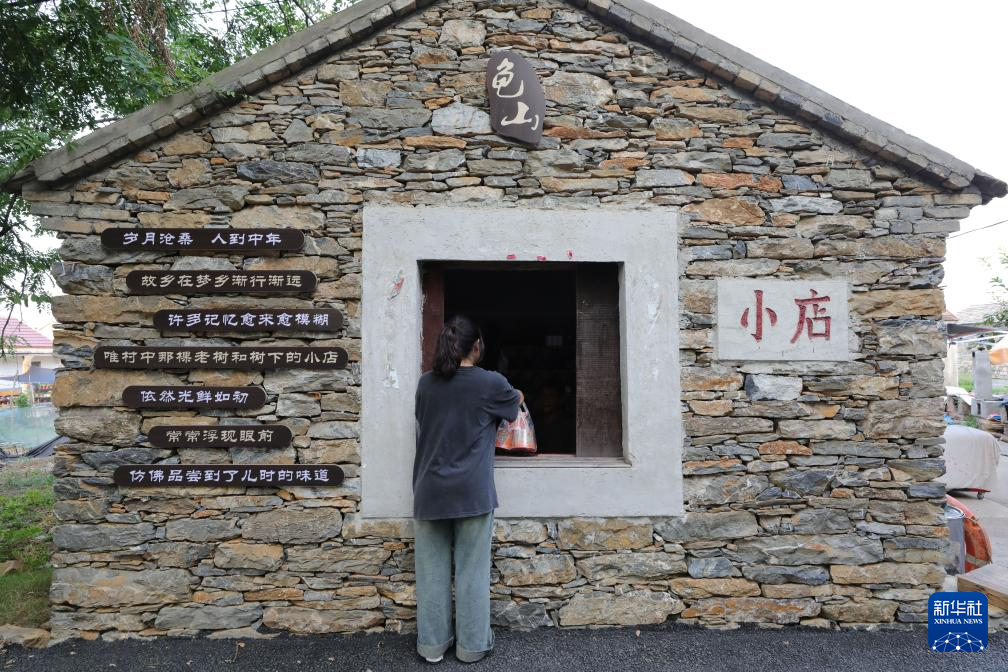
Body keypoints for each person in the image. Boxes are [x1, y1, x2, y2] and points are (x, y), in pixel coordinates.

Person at [413, 315, 523, 664]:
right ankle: (471, 647)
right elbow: (514, 404)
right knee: (472, 572)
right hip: (472, 493)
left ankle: (431, 646)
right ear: (477, 346)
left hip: (429, 490)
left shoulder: (425, 384)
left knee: (430, 574)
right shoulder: (491, 383)